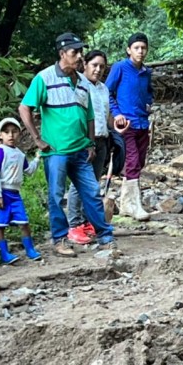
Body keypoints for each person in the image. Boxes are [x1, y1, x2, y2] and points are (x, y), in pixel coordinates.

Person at [19, 32, 117, 257]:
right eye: (75, 52)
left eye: (81, 51)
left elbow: (90, 114)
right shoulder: (44, 78)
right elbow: (25, 108)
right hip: (56, 151)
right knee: (55, 195)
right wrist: (36, 138)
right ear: (62, 54)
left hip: (81, 149)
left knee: (92, 192)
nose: (79, 56)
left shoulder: (83, 82)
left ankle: (104, 236)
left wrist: (91, 143)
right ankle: (60, 239)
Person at [106, 32, 153, 221]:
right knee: (132, 161)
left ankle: (126, 203)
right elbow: (106, 92)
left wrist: (149, 103)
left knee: (139, 162)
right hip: (126, 124)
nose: (140, 52)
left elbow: (149, 92)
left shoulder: (146, 72)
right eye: (136, 48)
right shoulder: (120, 68)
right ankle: (135, 205)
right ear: (129, 50)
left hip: (143, 122)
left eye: (143, 48)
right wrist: (117, 114)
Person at [66, 49, 112, 244]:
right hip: (85, 142)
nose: (98, 69)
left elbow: (105, 114)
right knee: (79, 184)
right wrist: (85, 141)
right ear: (85, 65)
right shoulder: (79, 86)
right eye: (94, 65)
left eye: (102, 66)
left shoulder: (103, 88)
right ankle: (74, 224)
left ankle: (87, 222)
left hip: (102, 140)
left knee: (93, 183)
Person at [0, 117, 42, 264]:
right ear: (0, 135)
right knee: (0, 225)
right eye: (6, 132)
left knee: (23, 222)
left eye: (14, 132)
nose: (10, 135)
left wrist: (37, 159)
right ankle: (4, 253)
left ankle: (30, 249)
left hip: (15, 194)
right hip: (2, 192)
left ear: (19, 133)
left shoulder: (20, 154)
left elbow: (28, 171)